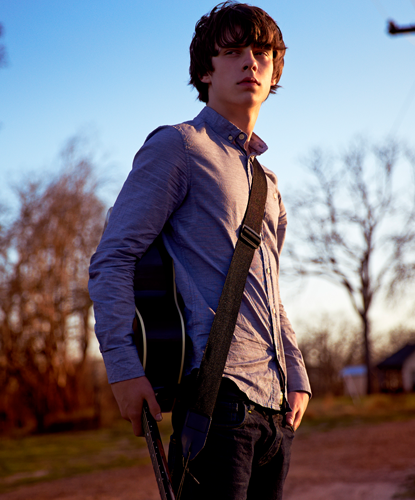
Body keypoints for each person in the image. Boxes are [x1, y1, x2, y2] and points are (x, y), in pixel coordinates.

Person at [88, 2, 311, 498]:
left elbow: (269, 291)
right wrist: (123, 368)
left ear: (275, 71)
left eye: (262, 53)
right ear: (206, 71)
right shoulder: (179, 147)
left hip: (276, 411)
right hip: (217, 403)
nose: (249, 62)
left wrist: (296, 373)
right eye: (232, 52)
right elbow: (113, 258)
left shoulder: (269, 184)